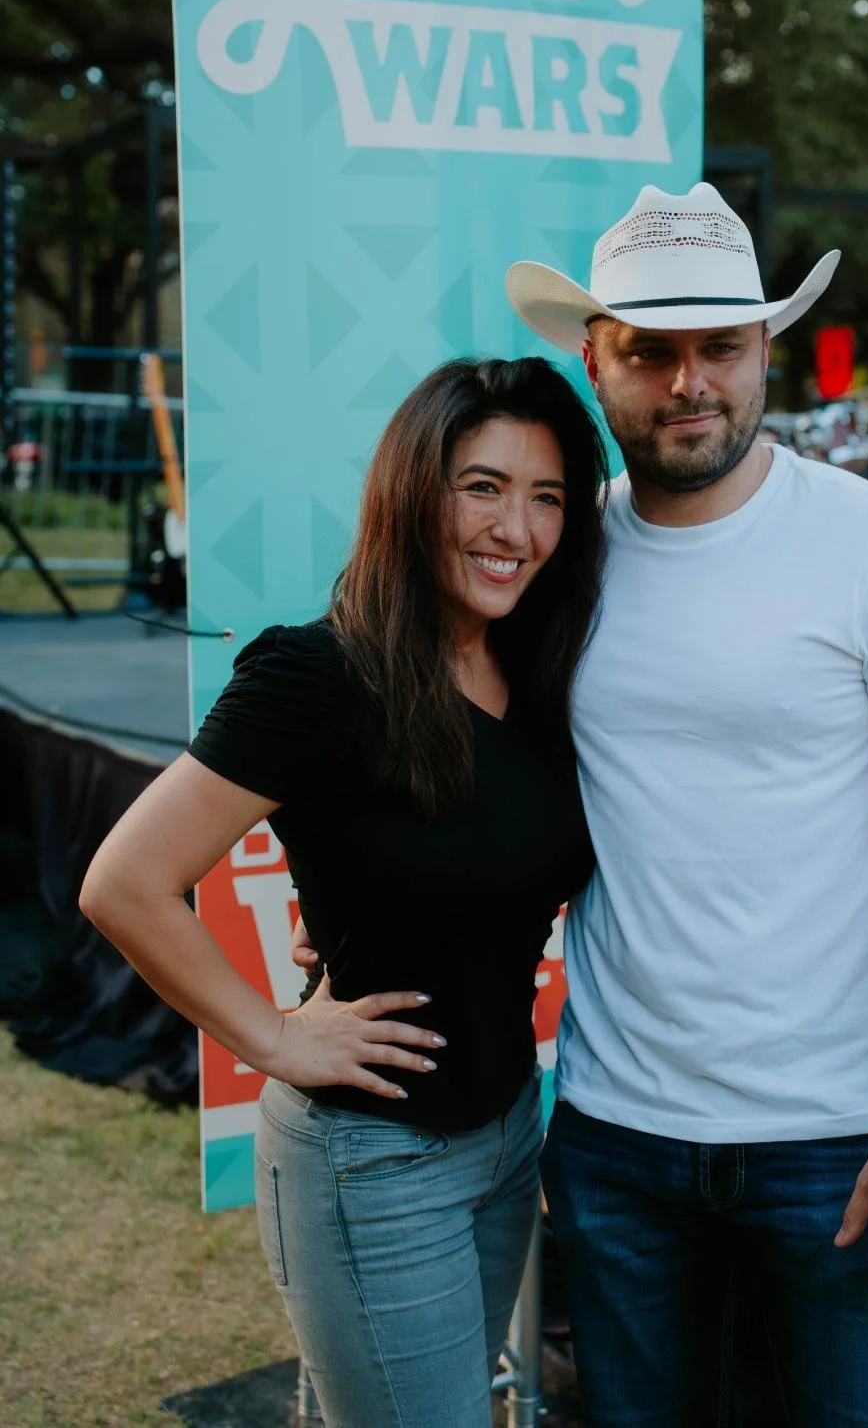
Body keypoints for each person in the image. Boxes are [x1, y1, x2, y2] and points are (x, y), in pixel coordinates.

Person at [503, 183, 868, 1427]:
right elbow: (501, 794)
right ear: (592, 360)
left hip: (843, 1140)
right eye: (648, 351)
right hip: (617, 1132)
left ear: (762, 350)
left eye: (718, 346)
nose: (689, 383)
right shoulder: (556, 561)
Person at [80, 356, 608, 1428]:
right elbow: (124, 881)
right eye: (482, 486)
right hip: (373, 1164)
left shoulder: (537, 671)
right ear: (414, 490)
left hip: (507, 1134)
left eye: (546, 496)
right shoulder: (321, 677)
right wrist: (271, 1039)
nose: (516, 527)